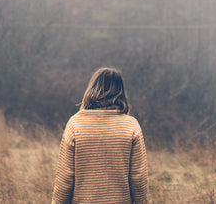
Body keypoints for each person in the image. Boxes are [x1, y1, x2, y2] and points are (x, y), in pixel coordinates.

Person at [52, 67, 149, 204]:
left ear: (92, 88)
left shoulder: (76, 124)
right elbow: (138, 177)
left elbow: (65, 177)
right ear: (121, 92)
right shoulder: (130, 126)